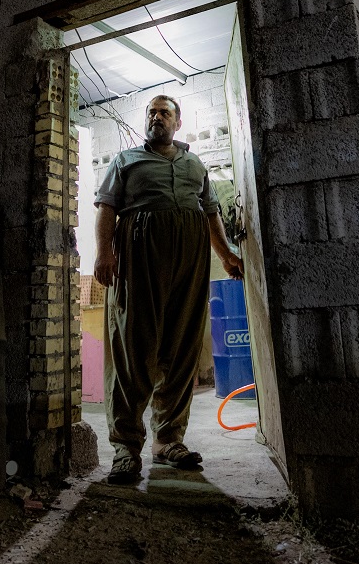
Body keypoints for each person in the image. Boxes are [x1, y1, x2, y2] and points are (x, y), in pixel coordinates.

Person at [92, 94, 244, 485]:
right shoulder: (126, 161)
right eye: (151, 112)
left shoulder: (195, 164)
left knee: (181, 345)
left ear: (178, 123)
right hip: (138, 257)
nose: (157, 117)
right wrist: (104, 253)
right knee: (132, 345)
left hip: (189, 259)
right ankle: (126, 447)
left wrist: (226, 255)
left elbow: (210, 211)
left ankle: (167, 439)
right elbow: (107, 206)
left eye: (165, 113)